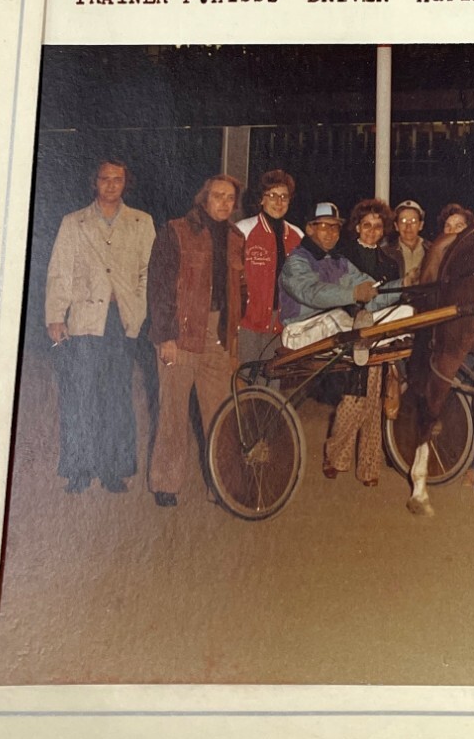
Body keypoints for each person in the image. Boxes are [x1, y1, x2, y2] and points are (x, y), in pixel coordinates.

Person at [44, 158, 157, 494]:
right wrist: (55, 316)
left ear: (126, 183)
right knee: (80, 395)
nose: (111, 184)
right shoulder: (73, 222)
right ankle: (79, 468)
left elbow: (148, 272)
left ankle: (113, 468)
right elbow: (59, 271)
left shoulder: (141, 222)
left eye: (117, 179)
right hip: (83, 320)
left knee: (116, 395)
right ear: (94, 182)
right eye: (104, 178)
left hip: (121, 321)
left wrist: (138, 307)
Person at [280, 201, 404, 484]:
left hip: (339, 332)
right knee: (341, 320)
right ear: (311, 228)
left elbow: (372, 291)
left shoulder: (338, 261)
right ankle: (366, 340)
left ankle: (368, 341)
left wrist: (408, 284)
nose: (329, 233)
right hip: (301, 330)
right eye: (323, 227)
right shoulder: (297, 261)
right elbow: (314, 293)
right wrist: (354, 295)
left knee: (372, 373)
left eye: (334, 228)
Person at [145, 173, 245, 508]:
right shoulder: (176, 230)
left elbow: (236, 293)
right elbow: (158, 287)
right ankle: (166, 482)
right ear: (203, 198)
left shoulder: (234, 237)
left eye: (230, 198)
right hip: (182, 331)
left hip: (217, 333)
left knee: (220, 414)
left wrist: (232, 341)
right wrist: (165, 336)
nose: (224, 203)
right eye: (218, 196)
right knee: (172, 410)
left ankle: (218, 484)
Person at [236, 168, 302, 365]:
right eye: (272, 195)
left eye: (284, 196)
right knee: (246, 377)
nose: (279, 202)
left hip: (281, 322)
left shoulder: (297, 236)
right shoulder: (243, 230)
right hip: (249, 320)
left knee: (273, 378)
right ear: (261, 199)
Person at [391, 199, 427, 286]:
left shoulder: (432, 250)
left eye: (413, 221)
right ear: (396, 226)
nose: (408, 226)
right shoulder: (385, 253)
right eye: (403, 221)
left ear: (421, 225)